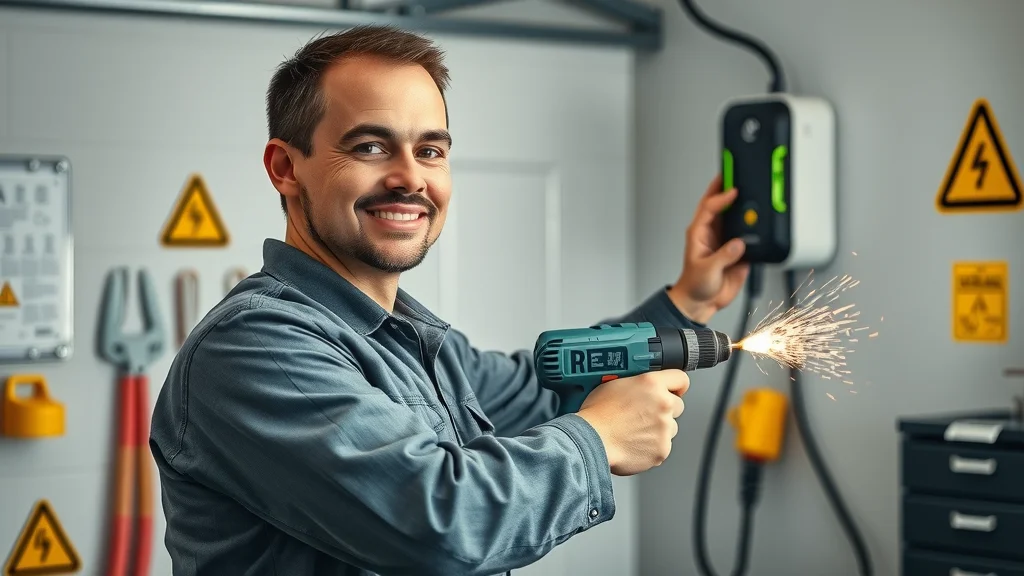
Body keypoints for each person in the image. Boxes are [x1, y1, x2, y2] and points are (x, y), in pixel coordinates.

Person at [149, 24, 749, 576]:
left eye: (431, 150)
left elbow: (541, 389)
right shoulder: (255, 348)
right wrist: (599, 440)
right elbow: (437, 522)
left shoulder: (410, 338)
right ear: (285, 167)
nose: (411, 177)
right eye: (370, 147)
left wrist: (684, 304)